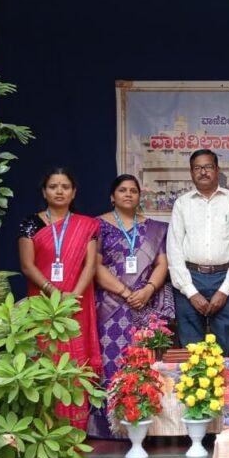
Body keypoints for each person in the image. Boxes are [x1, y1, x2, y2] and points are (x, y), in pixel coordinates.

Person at [90, 174, 175, 438]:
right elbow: (94, 266)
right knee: (110, 362)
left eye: (133, 191)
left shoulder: (155, 228)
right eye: (122, 190)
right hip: (110, 306)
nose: (128, 194)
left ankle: (143, 425)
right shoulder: (98, 226)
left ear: (140, 196)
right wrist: (126, 292)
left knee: (143, 363)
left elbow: (162, 263)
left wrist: (148, 289)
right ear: (112, 196)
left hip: (145, 307)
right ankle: (108, 428)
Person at [17, 167, 102, 431]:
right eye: (53, 186)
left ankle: (75, 431)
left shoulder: (87, 226)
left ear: (73, 192)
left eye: (65, 186)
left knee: (75, 362)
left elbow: (90, 265)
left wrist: (73, 295)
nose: (59, 191)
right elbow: (27, 265)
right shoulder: (31, 223)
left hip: (76, 302)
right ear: (44, 192)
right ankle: (47, 429)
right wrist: (54, 293)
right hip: (43, 303)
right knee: (46, 359)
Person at [166, 149, 229, 356]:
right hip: (190, 278)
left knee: (225, 345)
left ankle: (226, 379)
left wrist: (225, 290)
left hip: (226, 277)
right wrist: (190, 291)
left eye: (208, 167)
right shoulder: (182, 204)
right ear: (191, 172)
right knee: (191, 347)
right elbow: (174, 249)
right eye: (197, 168)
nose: (203, 172)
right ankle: (193, 380)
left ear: (217, 170)